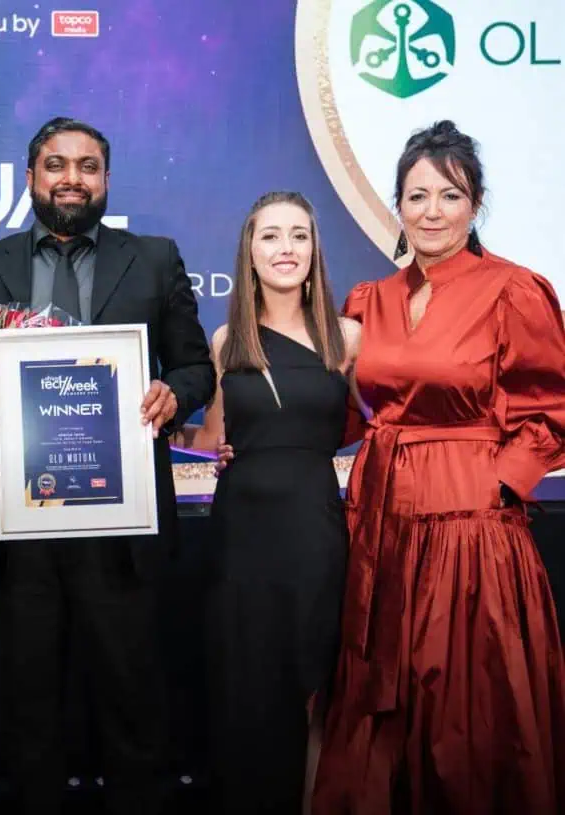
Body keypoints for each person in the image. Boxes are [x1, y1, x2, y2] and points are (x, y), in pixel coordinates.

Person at [0, 117, 215, 815]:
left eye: (88, 167)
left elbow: (194, 366)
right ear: (30, 176)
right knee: (28, 718)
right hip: (18, 528)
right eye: (56, 165)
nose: (72, 179)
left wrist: (174, 392)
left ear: (106, 180)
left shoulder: (153, 259)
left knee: (134, 712)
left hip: (122, 529)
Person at [308, 121, 565, 813]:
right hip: (380, 524)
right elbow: (347, 412)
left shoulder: (514, 290)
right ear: (397, 205)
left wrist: (499, 485)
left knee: (464, 700)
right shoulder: (369, 299)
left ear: (474, 204)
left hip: (470, 530)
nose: (431, 212)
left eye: (449, 196)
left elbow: (552, 409)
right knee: (379, 699)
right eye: (416, 196)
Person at [172, 191, 359, 812]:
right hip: (241, 535)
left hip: (313, 532)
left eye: (298, 235)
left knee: (311, 682)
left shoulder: (348, 338)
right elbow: (210, 438)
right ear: (248, 251)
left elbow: (388, 421)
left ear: (315, 250)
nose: (285, 248)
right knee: (247, 686)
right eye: (270, 235)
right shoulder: (228, 340)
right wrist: (141, 419)